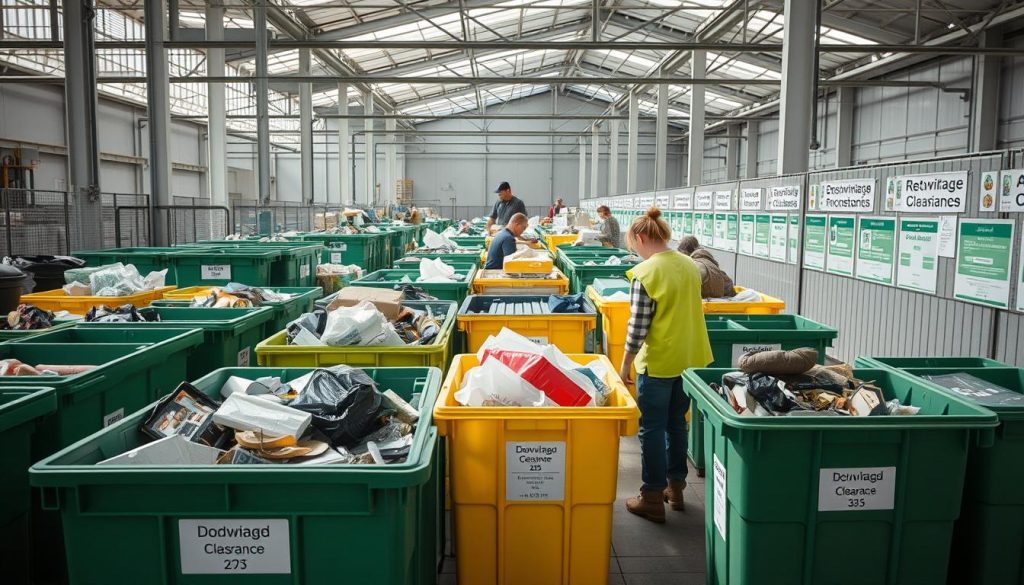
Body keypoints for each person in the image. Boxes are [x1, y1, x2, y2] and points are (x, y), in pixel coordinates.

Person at [620, 208, 713, 524]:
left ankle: (651, 497)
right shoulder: (690, 265)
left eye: (634, 245)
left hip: (659, 362)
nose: (636, 252)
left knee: (652, 429)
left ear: (642, 237)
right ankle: (676, 489)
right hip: (690, 361)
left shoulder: (647, 273)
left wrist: (624, 365)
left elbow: (637, 328)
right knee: (677, 424)